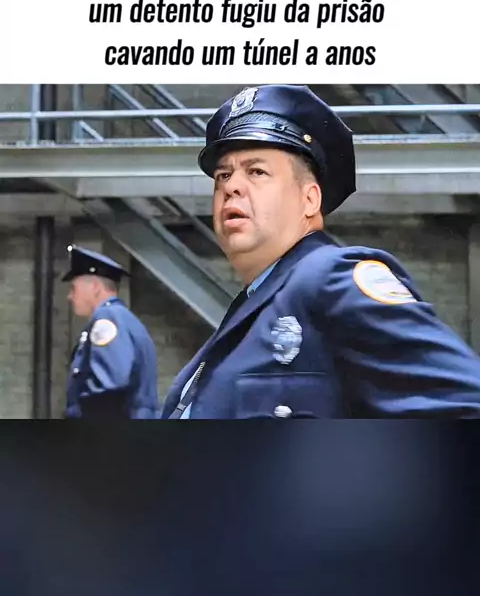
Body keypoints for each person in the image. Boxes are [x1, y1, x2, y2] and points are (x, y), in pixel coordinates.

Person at [161, 84, 480, 419]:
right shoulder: (253, 306)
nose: (231, 186)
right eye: (223, 175)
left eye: (257, 171)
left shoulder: (331, 280)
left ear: (310, 199)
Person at [63, 244, 160, 419]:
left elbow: (109, 385)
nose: (69, 297)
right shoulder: (124, 318)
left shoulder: (108, 317)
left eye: (73, 288)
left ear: (94, 287)